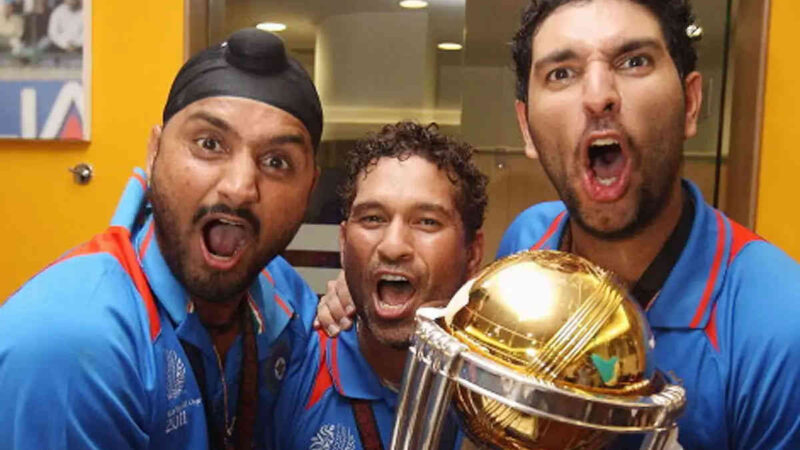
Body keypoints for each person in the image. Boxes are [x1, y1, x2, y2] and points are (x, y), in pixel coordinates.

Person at [316, 1, 800, 448]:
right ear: (526, 128)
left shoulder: (777, 326)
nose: (599, 96)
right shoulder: (529, 244)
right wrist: (356, 293)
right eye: (562, 73)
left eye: (634, 61)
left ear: (690, 103)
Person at [0, 28, 322, 449]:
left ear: (310, 188)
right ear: (153, 154)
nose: (240, 187)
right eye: (210, 144)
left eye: (277, 162)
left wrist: (362, 316)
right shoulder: (70, 342)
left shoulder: (284, 294)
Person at [272, 122, 487, 449]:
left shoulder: (498, 392)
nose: (393, 246)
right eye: (372, 218)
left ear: (472, 254)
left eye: (427, 221)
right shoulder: (296, 365)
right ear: (343, 243)